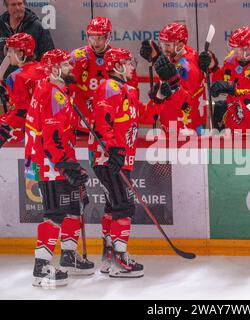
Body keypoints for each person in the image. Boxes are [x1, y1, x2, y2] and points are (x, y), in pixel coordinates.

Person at [25, 49, 94, 288]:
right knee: (54, 214)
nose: (69, 67)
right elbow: (51, 136)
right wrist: (65, 164)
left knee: (74, 207)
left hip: (60, 159)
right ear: (54, 69)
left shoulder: (58, 90)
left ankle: (68, 256)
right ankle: (41, 267)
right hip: (50, 163)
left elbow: (62, 131)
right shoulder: (51, 93)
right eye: (65, 64)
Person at [90, 47, 144, 278]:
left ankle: (108, 258)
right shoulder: (108, 87)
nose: (132, 65)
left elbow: (139, 117)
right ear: (117, 66)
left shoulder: (126, 89)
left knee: (114, 206)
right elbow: (103, 122)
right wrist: (114, 149)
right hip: (110, 158)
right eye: (128, 62)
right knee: (124, 206)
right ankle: (120, 261)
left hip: (118, 157)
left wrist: (160, 98)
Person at [198, 26, 250, 135]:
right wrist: (213, 67)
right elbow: (221, 79)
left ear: (248, 49)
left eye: (237, 49)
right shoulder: (231, 59)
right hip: (235, 122)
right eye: (232, 48)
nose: (234, 52)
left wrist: (233, 90)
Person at [70, 17, 139, 133]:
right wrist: (74, 72)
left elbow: (132, 89)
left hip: (110, 122)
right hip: (82, 122)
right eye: (92, 37)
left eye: (100, 38)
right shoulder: (77, 56)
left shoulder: (120, 58)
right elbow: (65, 88)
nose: (95, 42)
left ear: (108, 37)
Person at [140, 22, 205, 134]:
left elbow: (186, 104)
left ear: (180, 45)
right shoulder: (181, 53)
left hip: (185, 130)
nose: (164, 49)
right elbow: (170, 70)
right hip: (174, 127)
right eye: (163, 44)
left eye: (168, 45)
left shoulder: (188, 67)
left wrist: (172, 83)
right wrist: (157, 58)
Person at [0, 32, 45, 148]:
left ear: (20, 54)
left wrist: (4, 131)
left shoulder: (16, 77)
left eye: (10, 51)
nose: (8, 55)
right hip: (47, 125)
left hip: (26, 128)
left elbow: (20, 111)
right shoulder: (44, 68)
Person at [0, 0, 54, 79]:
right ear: (7, 7)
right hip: (3, 83)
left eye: (20, 4)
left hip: (30, 81)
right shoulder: (1, 26)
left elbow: (49, 55)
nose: (17, 8)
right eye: (13, 5)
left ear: (24, 4)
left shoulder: (38, 26)